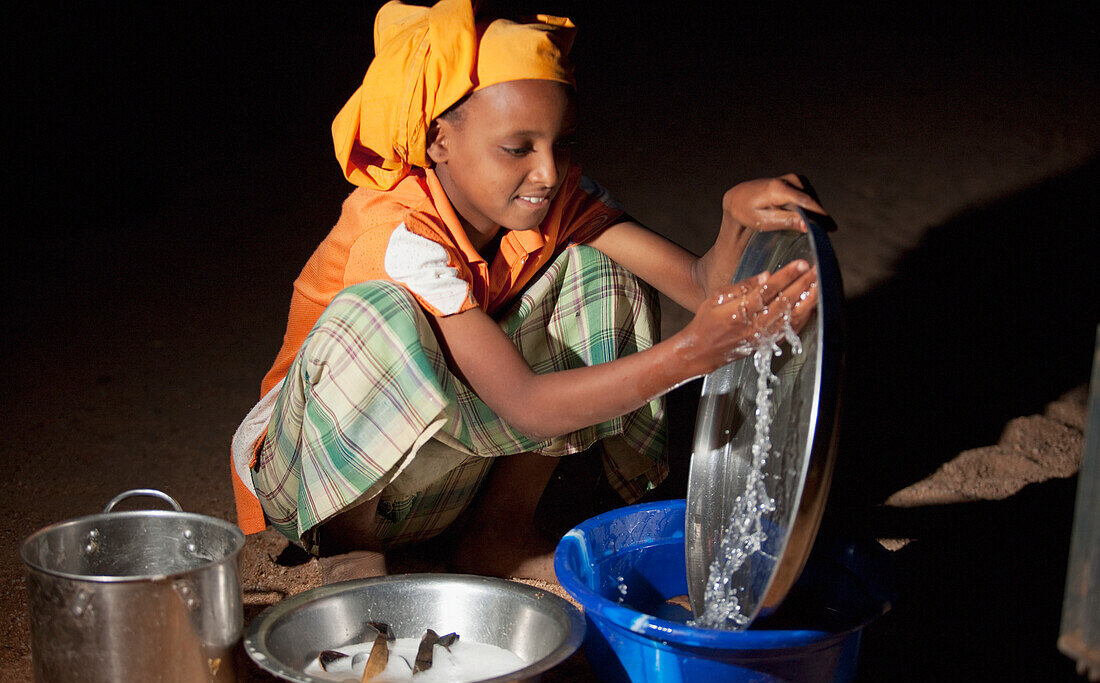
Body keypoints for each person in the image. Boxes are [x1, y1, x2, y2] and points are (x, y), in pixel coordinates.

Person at [230, 0, 826, 585]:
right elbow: (526, 405)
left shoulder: (554, 202)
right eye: (518, 148)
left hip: (438, 482)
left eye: (561, 143)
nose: (548, 172)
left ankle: (500, 533)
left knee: (600, 269)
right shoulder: (399, 234)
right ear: (439, 142)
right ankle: (349, 547)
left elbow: (701, 286)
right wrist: (694, 353)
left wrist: (736, 223)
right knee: (377, 310)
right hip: (318, 478)